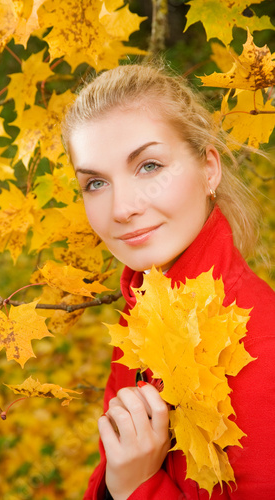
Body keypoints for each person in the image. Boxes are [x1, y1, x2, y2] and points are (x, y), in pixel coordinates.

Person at [61, 62, 275, 500]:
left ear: (209, 169)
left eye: (149, 166)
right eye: (96, 182)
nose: (121, 209)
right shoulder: (143, 307)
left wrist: (137, 486)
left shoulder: (262, 351)